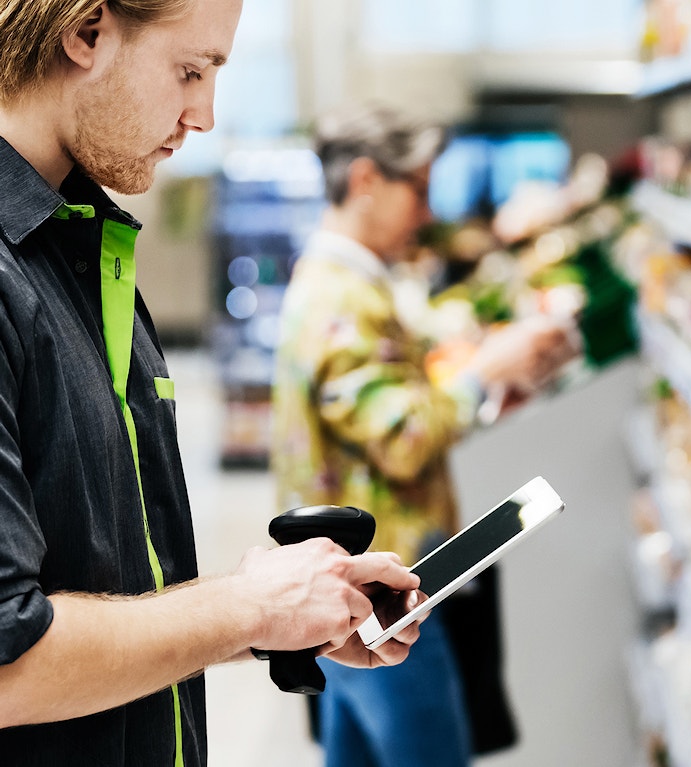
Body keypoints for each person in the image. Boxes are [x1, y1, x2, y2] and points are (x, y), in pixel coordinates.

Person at [0, 4, 423, 766]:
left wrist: (273, 617)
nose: (204, 116)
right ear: (88, 33)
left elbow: (96, 587)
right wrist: (246, 606)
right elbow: (9, 660)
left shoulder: (82, 245)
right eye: (190, 71)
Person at [271, 101, 582, 767]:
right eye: (417, 187)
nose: (426, 209)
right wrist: (483, 372)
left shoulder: (348, 282)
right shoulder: (341, 298)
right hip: (384, 589)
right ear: (364, 181)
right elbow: (405, 434)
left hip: (350, 585)